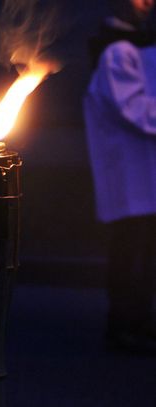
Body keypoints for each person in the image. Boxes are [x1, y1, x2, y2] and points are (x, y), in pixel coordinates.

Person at [84, 0, 156, 354]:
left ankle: (141, 320)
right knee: (130, 254)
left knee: (145, 255)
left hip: (145, 175)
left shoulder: (138, 46)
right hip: (129, 176)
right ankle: (123, 324)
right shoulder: (118, 52)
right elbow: (134, 108)